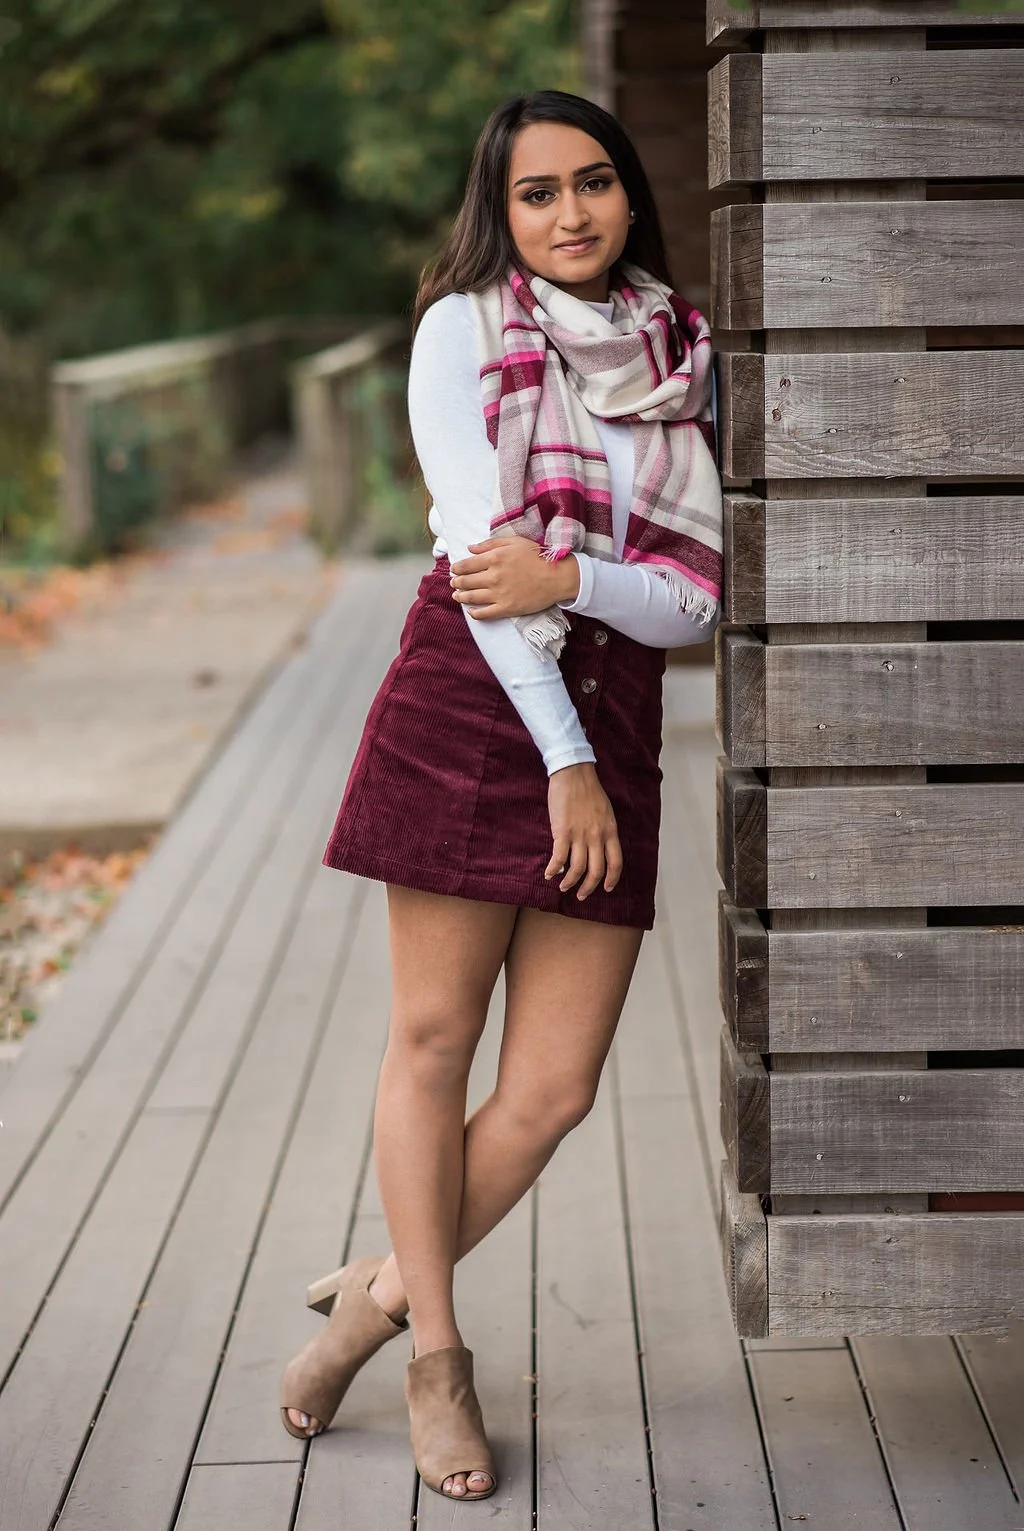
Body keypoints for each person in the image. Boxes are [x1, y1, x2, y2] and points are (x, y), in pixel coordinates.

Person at [278, 88, 723, 1503]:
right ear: (501, 210)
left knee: (553, 1087)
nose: (573, 213)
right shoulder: (461, 330)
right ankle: (437, 1361)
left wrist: (579, 580)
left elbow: (689, 607)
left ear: (630, 197)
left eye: (595, 184)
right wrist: (565, 759)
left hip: (615, 700)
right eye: (539, 193)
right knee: (433, 1037)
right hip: (477, 700)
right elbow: (484, 574)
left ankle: (370, 1297)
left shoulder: (681, 353)